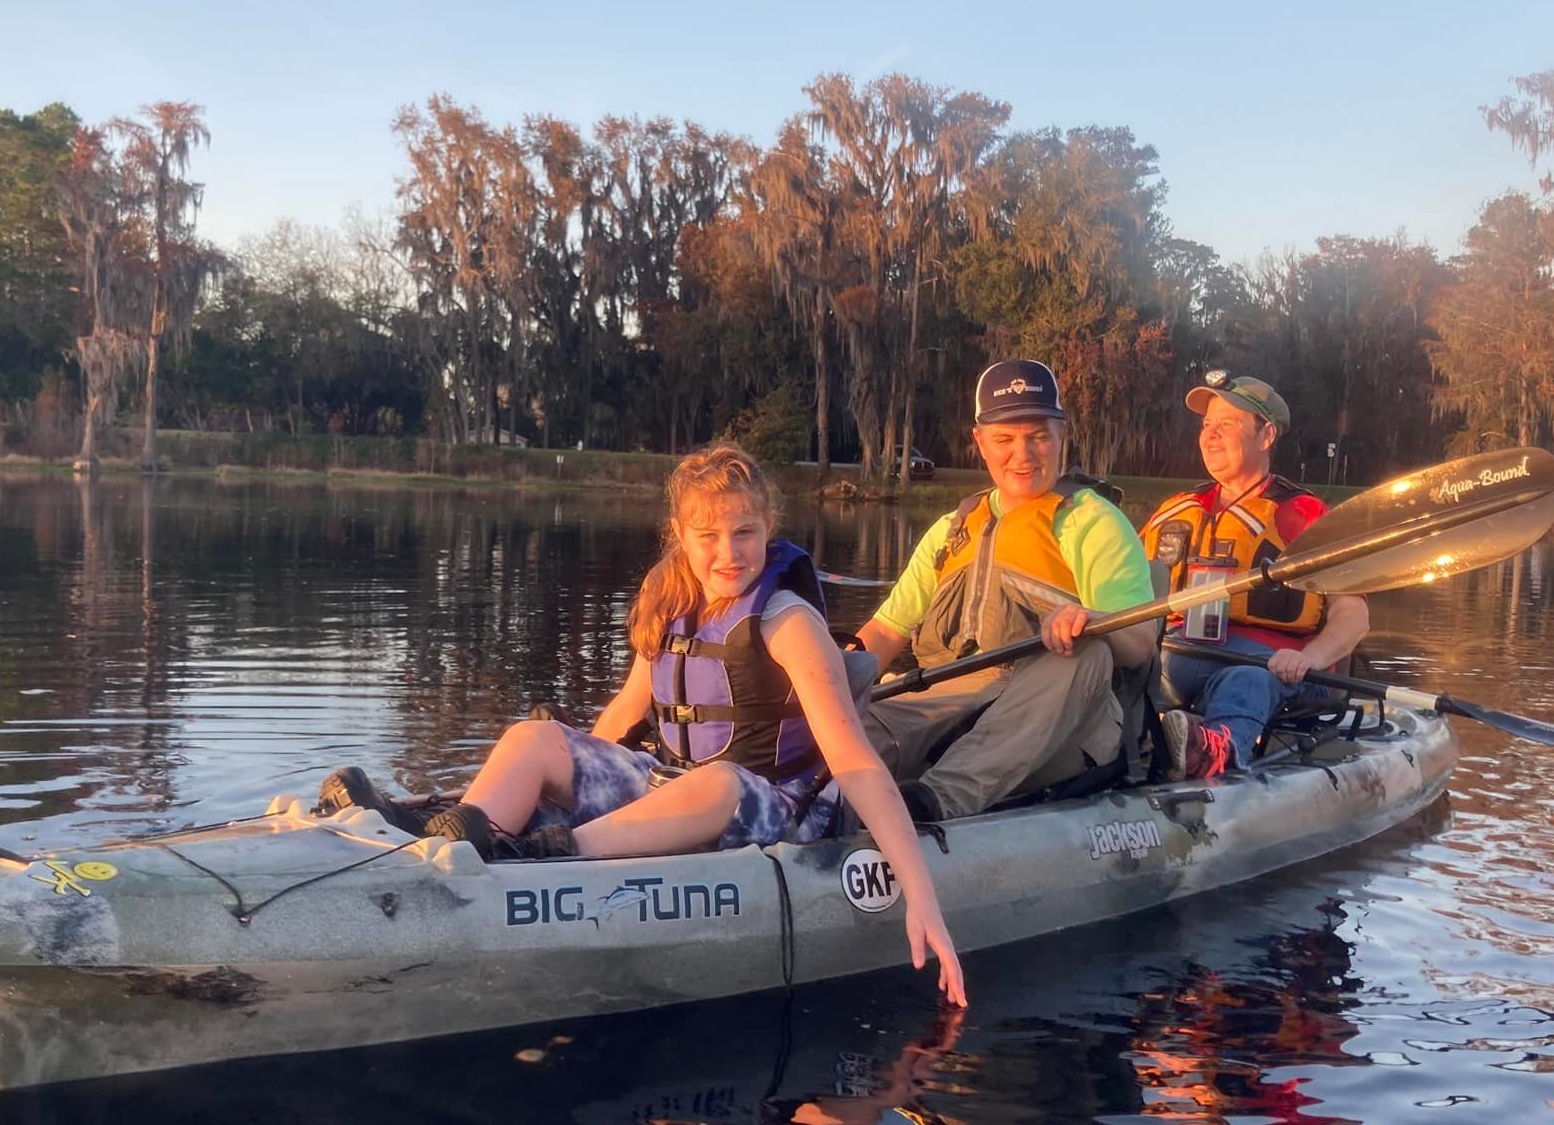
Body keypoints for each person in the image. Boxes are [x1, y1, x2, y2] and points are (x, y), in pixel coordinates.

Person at [344, 444, 965, 1006]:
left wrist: (922, 895)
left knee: (718, 782)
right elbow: (621, 714)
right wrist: (561, 779)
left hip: (779, 804)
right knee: (532, 738)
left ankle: (543, 856)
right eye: (708, 535)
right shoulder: (672, 602)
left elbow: (854, 761)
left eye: (745, 532)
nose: (729, 553)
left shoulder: (787, 620)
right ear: (679, 534)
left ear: (769, 528)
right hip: (678, 781)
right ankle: (459, 837)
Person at [852, 360, 1156, 822]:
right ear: (980, 442)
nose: (1023, 454)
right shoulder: (951, 530)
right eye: (1005, 439)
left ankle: (931, 806)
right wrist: (829, 679)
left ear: (1060, 435)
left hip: (1060, 726)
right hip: (952, 708)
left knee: (1087, 654)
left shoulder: (1094, 522)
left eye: (1038, 435)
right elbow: (886, 632)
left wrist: (1094, 621)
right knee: (847, 724)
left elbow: (1140, 647)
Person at [1138, 370, 1370, 778]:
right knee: (1125, 668)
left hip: (1275, 665)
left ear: (1266, 437)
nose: (1210, 435)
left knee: (1247, 680)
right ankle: (1134, 744)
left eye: (1227, 424)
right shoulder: (1176, 508)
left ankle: (1215, 752)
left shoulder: (1303, 515)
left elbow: (1354, 616)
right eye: (1207, 424)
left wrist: (1307, 658)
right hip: (1180, 651)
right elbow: (1125, 594)